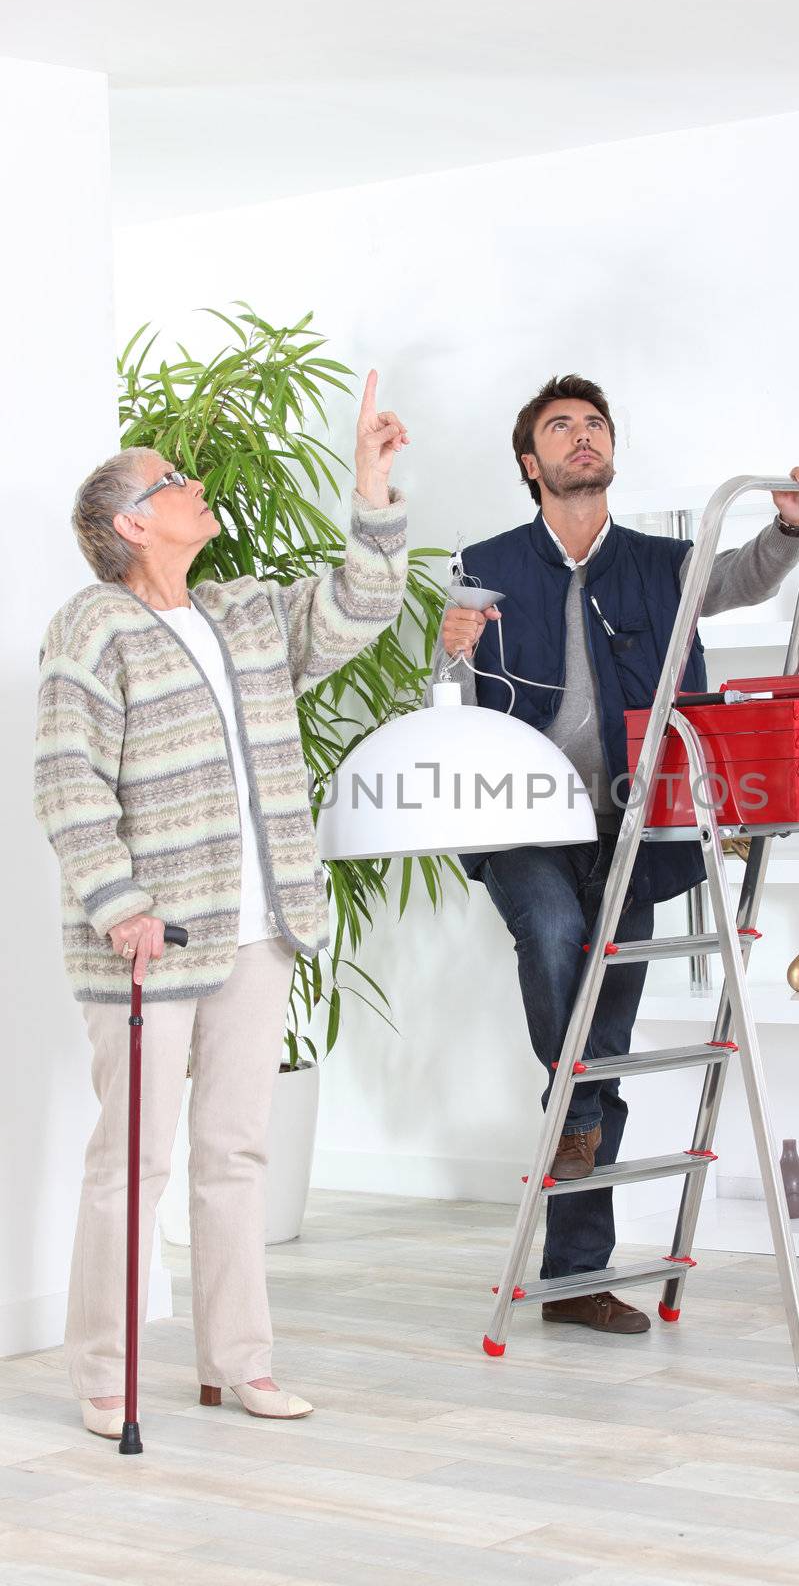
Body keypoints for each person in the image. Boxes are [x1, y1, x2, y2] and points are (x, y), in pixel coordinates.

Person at [33, 372, 408, 1435]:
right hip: (148, 940)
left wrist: (370, 484)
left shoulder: (242, 614)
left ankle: (235, 1360)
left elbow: (359, 607)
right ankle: (102, 1370)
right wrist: (119, 905)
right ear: (130, 522)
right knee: (132, 1160)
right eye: (171, 479)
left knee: (235, 1150)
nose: (195, 483)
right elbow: (66, 780)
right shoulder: (91, 629)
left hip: (258, 929)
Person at [427, 373, 799, 1334]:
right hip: (521, 820)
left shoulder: (663, 561)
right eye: (560, 428)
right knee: (558, 937)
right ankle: (577, 1122)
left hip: (636, 826)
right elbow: (447, 697)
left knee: (600, 1038)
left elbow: (740, 579)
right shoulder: (483, 563)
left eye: (594, 425)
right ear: (531, 465)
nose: (582, 437)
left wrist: (789, 528)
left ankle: (573, 1280)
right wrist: (445, 649)